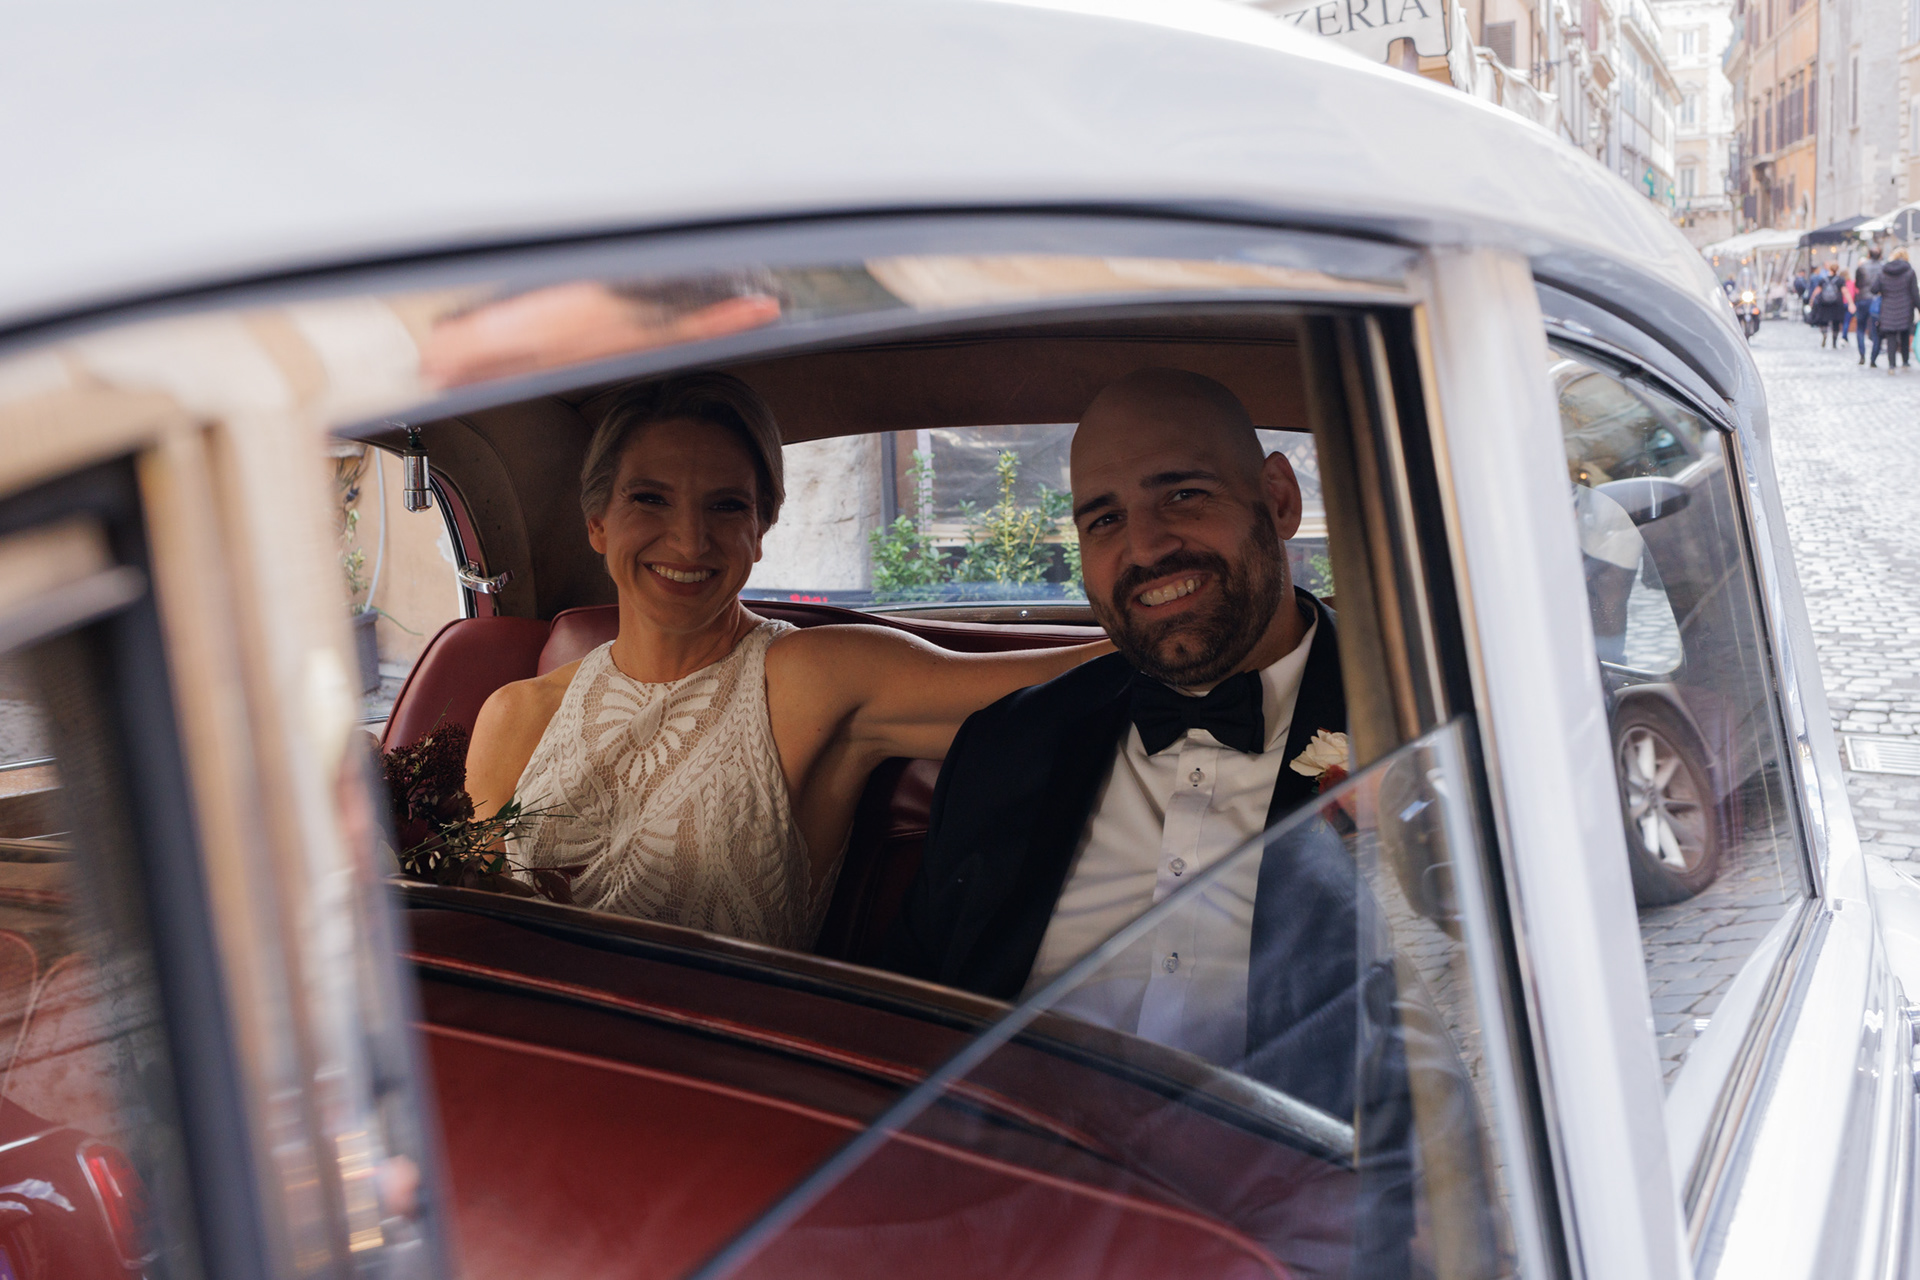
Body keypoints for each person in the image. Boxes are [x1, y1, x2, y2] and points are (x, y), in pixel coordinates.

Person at [884, 369, 1421, 1274]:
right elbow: (902, 1031)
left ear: (1278, 499)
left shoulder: (1416, 728)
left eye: (1183, 494)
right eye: (1103, 519)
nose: (1145, 546)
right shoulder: (1006, 750)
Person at [466, 373, 1110, 949]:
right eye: (651, 499)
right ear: (597, 524)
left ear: (761, 531)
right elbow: (468, 933)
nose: (689, 540)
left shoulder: (810, 679)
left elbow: (1073, 690)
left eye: (727, 505)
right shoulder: (516, 715)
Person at [1874, 248, 1920, 372]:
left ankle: (1891, 365)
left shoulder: (1884, 271)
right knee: (1905, 334)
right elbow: (1915, 293)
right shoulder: (1909, 271)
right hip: (1905, 308)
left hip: (1888, 307)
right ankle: (1905, 361)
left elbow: (1874, 288)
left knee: (1891, 336)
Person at [1855, 245, 1885, 365]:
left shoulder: (1862, 267)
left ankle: (1862, 354)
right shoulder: (1882, 267)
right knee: (1876, 330)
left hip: (1863, 299)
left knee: (1860, 328)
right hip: (1876, 300)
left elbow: (1858, 284)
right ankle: (1873, 359)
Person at [1811, 259, 1847, 347]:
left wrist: (1811, 300)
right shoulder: (1840, 280)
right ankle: (1834, 341)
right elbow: (1845, 292)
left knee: (1823, 321)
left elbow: (1817, 291)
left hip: (1824, 304)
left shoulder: (1823, 279)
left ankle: (1824, 334)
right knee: (1836, 323)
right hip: (1837, 304)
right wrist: (1851, 303)